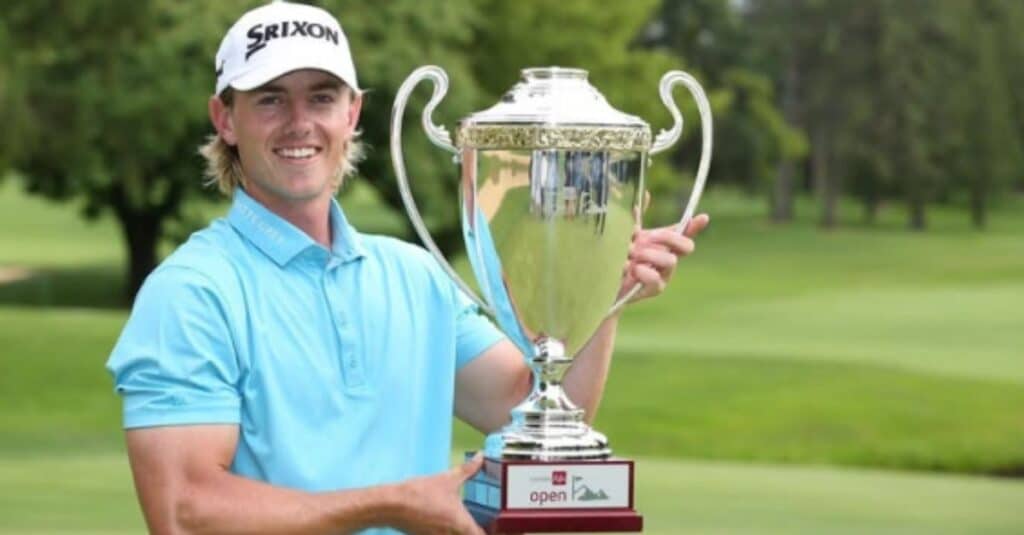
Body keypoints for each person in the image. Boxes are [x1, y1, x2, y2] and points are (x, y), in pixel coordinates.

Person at [105, 2, 710, 534]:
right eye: (270, 98)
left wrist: (601, 293)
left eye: (321, 96)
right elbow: (185, 512)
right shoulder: (190, 292)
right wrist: (392, 504)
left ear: (353, 113)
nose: (299, 121)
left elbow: (531, 405)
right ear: (225, 119)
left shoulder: (412, 274)